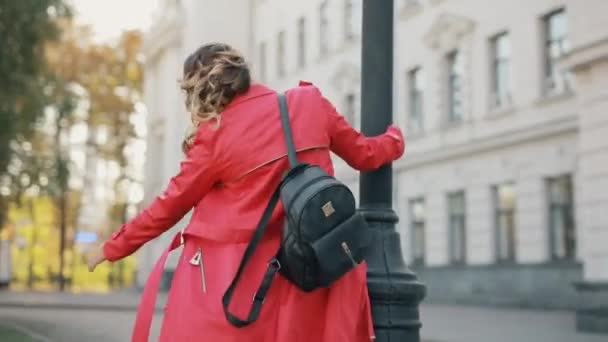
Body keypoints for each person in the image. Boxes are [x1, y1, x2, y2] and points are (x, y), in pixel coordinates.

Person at [88, 43, 405, 342]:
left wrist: (110, 248)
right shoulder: (310, 103)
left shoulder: (215, 136)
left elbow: (167, 208)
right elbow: (365, 154)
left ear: (198, 91)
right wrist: (394, 139)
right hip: (318, 269)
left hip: (251, 278)